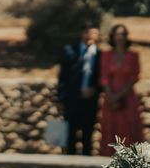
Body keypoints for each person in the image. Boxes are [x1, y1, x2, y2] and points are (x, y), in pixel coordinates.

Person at [99, 24, 143, 156]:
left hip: (127, 97)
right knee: (110, 126)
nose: (120, 37)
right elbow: (104, 76)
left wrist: (118, 96)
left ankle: (130, 160)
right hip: (110, 97)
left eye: (123, 34)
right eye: (117, 34)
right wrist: (111, 96)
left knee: (128, 127)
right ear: (112, 36)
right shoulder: (106, 55)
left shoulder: (133, 55)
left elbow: (134, 77)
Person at [57, 26, 101, 156]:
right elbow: (62, 78)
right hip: (72, 100)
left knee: (88, 135)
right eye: (87, 32)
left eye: (94, 33)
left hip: (90, 100)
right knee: (70, 134)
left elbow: (102, 79)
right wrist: (60, 99)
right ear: (82, 34)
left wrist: (94, 89)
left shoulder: (100, 55)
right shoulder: (70, 51)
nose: (90, 36)